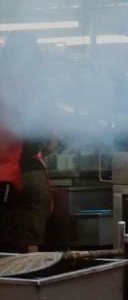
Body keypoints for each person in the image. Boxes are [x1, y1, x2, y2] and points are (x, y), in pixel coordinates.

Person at [0, 32, 56, 253]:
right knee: (30, 242)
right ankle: (30, 283)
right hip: (30, 175)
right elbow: (51, 142)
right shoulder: (39, 93)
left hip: (3, 179)